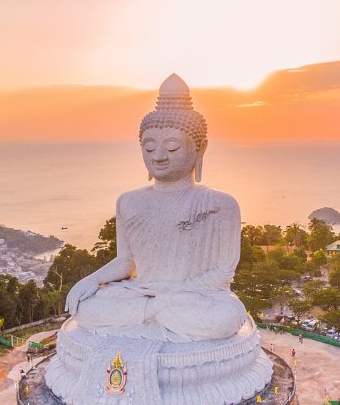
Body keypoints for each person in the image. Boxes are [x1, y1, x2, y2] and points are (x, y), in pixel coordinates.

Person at [64, 74, 247, 343]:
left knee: (226, 317)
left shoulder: (221, 205)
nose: (158, 156)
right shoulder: (128, 201)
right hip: (144, 293)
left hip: (194, 298)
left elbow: (222, 274)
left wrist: (171, 292)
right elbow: (127, 261)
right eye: (149, 148)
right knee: (89, 307)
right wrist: (92, 280)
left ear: (200, 148)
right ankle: (155, 314)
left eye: (172, 147)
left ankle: (152, 314)